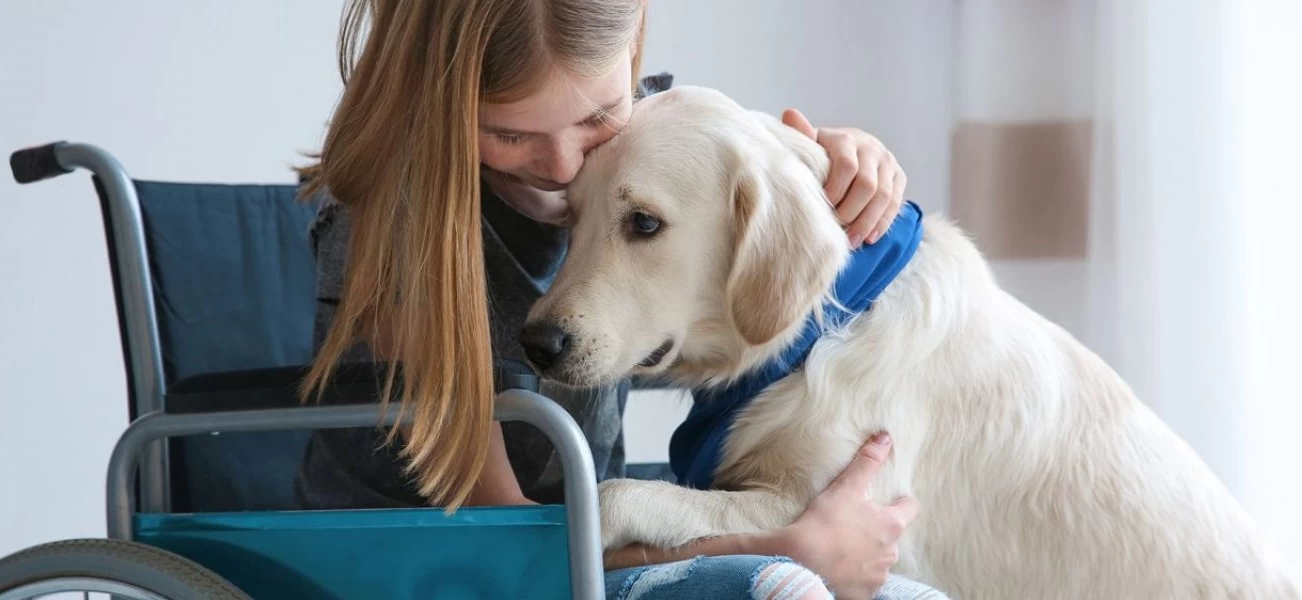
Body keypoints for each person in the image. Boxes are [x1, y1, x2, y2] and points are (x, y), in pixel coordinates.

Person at [294, 1, 947, 598]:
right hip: (425, 565)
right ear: (440, 99)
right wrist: (779, 546)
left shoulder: (638, 147)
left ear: (632, 48)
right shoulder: (390, 230)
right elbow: (507, 530)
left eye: (595, 117)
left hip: (591, 539)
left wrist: (841, 157)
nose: (561, 166)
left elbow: (736, 178)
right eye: (511, 133)